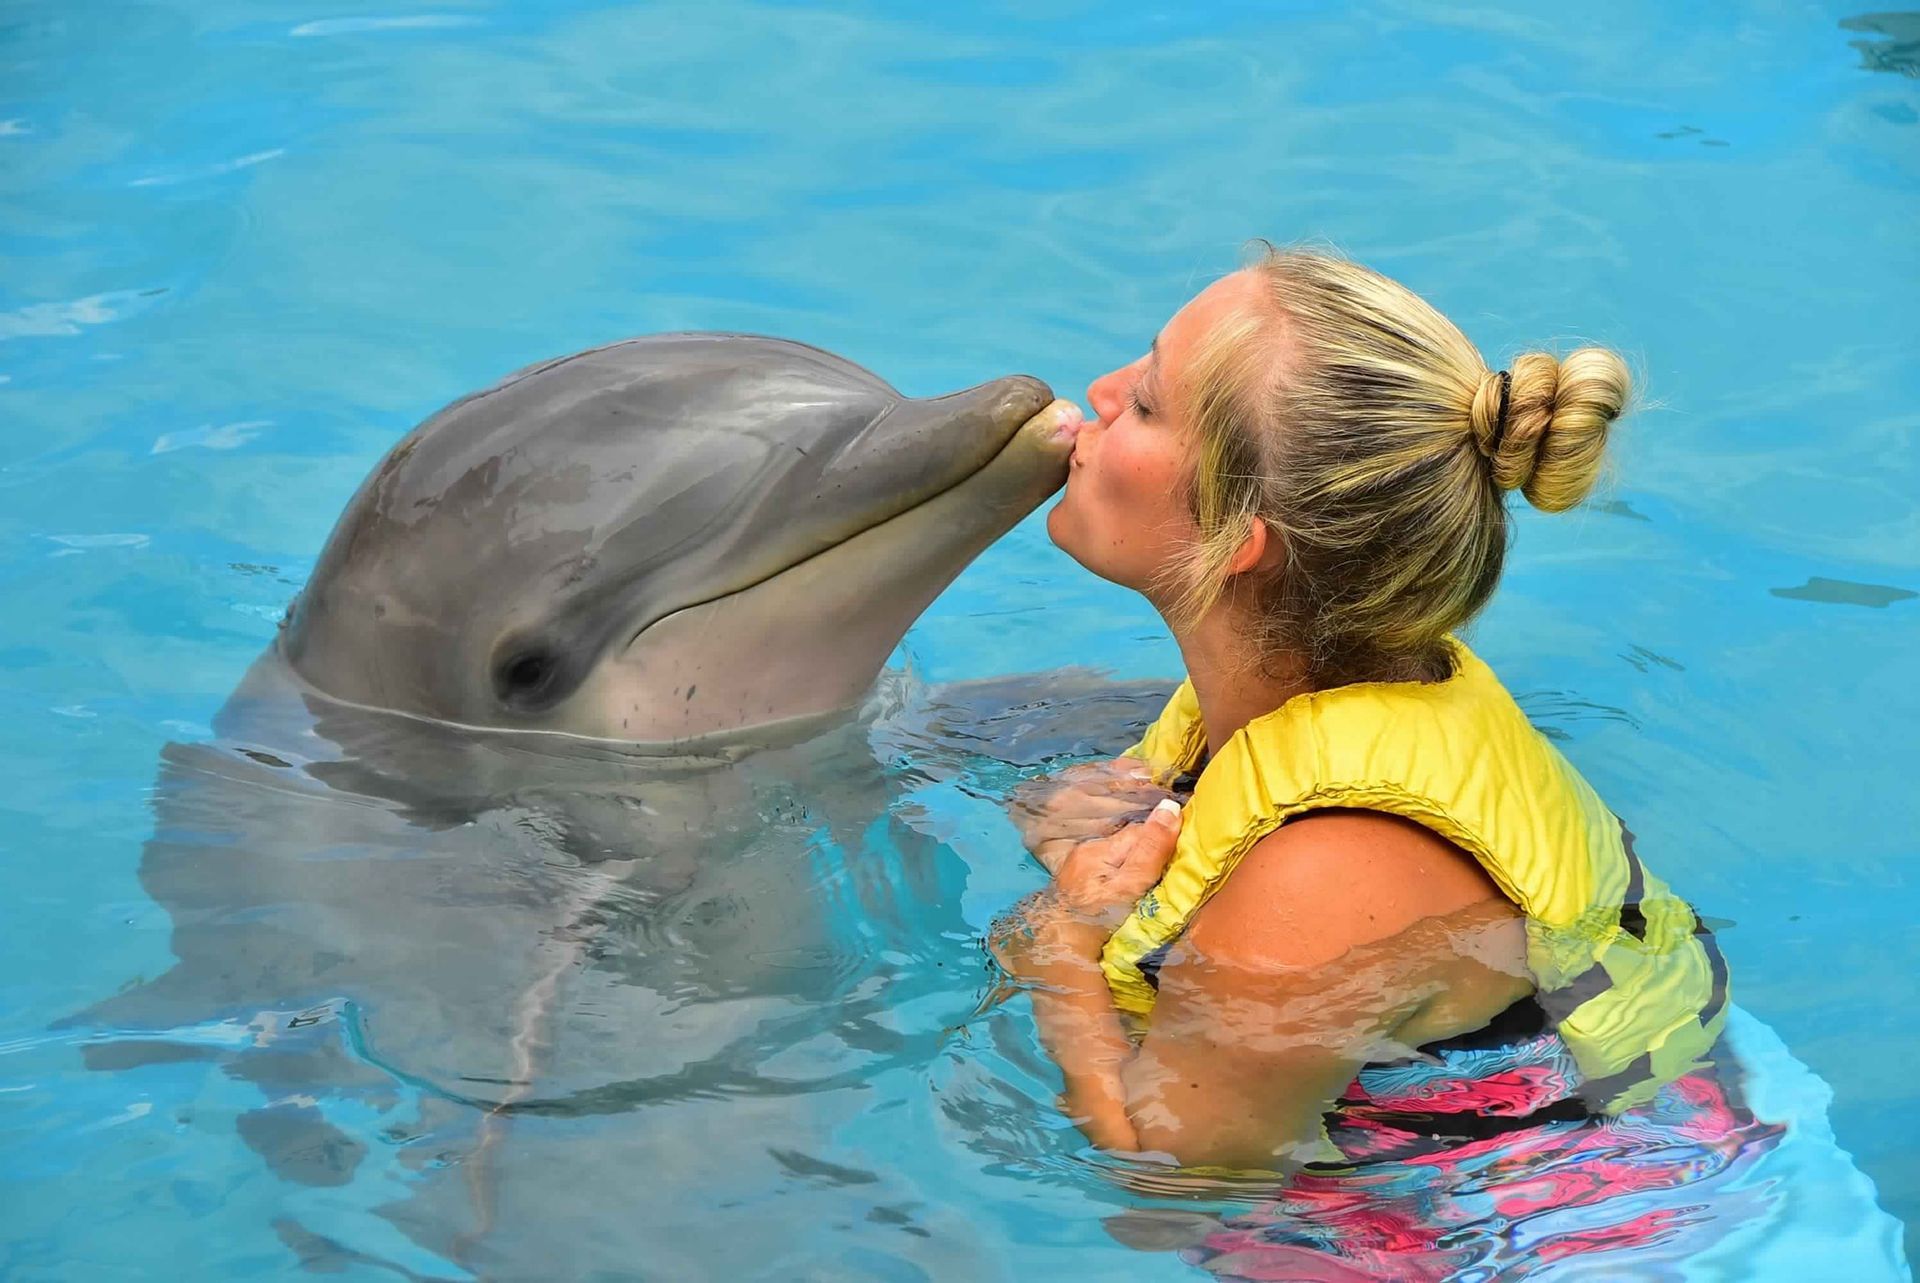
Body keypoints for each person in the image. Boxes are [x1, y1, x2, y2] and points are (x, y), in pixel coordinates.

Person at [991, 245, 1740, 1188]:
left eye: (1145, 402)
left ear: (1238, 541)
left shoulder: (1322, 874)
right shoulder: (1319, 685)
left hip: (1570, 1233)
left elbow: (1177, 1173)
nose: (1095, 394)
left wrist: (1055, 944)